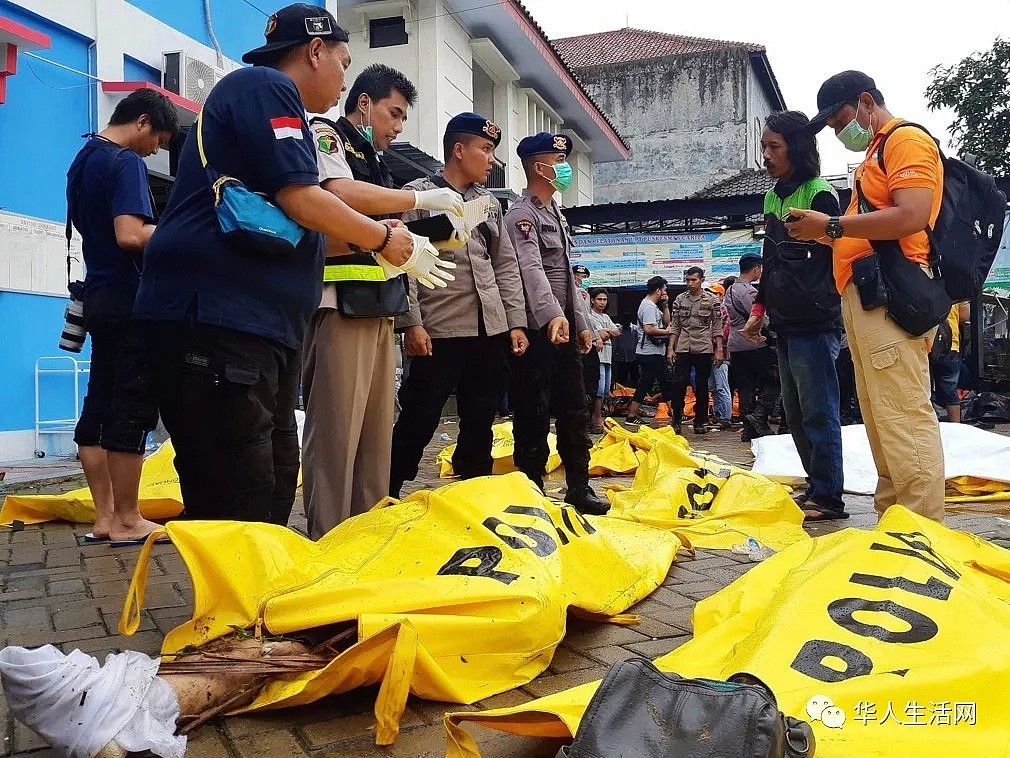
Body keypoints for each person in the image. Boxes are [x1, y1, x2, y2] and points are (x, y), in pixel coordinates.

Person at [133, 4, 440, 525]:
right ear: (314, 50)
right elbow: (302, 199)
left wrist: (391, 245)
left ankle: (257, 601)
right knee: (239, 494)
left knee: (271, 481)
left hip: (257, 329)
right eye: (343, 62)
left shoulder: (282, 115)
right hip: (216, 322)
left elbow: (308, 230)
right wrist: (386, 235)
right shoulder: (265, 87)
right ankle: (234, 605)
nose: (345, 79)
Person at [302, 63, 464, 538]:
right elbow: (337, 194)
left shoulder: (377, 161)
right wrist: (416, 202)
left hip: (379, 305)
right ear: (365, 103)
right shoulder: (327, 135)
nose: (397, 126)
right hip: (339, 302)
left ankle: (367, 534)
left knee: (375, 437)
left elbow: (385, 225)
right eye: (393, 113)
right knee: (336, 432)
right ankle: (328, 537)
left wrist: (429, 233)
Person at [788, 70, 946, 522]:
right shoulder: (875, 155)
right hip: (864, 296)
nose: (839, 133)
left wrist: (833, 226)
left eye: (839, 121)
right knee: (881, 418)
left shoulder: (906, 141)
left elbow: (912, 214)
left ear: (865, 101)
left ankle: (921, 529)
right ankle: (895, 520)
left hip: (890, 297)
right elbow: (868, 231)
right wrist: (821, 233)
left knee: (902, 415)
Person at [389, 113, 528, 496]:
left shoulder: (488, 205)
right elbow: (402, 263)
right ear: (458, 150)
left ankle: (475, 496)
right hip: (440, 329)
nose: (491, 159)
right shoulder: (418, 195)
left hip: (490, 330)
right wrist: (411, 323)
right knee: (419, 417)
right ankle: (387, 491)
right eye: (485, 149)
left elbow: (505, 264)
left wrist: (515, 322)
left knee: (480, 421)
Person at [66, 89, 179, 544]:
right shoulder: (125, 162)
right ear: (143, 122)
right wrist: (181, 233)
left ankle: (105, 518)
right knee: (130, 404)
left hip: (98, 295)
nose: (155, 151)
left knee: (99, 403)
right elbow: (130, 234)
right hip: (131, 298)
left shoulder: (83, 158)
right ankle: (129, 519)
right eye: (159, 141)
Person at [740, 110, 846, 521]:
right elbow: (771, 260)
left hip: (816, 321)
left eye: (773, 147)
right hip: (783, 323)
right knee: (796, 412)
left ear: (796, 149)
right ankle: (816, 486)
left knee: (820, 411)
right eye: (764, 146)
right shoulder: (772, 197)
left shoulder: (821, 194)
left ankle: (830, 497)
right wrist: (759, 309)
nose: (765, 155)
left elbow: (833, 258)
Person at [505, 132, 609, 515]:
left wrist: (582, 323)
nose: (564, 167)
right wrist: (553, 315)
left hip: (564, 329)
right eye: (558, 160)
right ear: (538, 167)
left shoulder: (556, 215)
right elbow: (530, 270)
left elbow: (565, 275)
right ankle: (532, 488)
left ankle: (578, 487)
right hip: (536, 329)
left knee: (574, 408)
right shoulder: (523, 214)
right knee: (533, 410)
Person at [726, 253, 779, 440]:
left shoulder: (730, 289)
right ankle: (759, 415)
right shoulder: (749, 291)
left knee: (745, 386)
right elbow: (758, 317)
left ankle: (749, 428)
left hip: (736, 344)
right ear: (756, 268)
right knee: (776, 378)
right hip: (753, 343)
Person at [667, 267, 724, 435]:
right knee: (679, 383)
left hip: (704, 347)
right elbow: (675, 325)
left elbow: (718, 326)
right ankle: (676, 418)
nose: (690, 283)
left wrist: (719, 349)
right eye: (688, 280)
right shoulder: (679, 299)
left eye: (694, 280)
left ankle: (700, 420)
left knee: (702, 386)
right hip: (683, 346)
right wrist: (671, 348)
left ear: (701, 280)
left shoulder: (712, 299)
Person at [626, 276, 672, 424]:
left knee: (652, 383)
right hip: (649, 352)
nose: (665, 292)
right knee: (661, 382)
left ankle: (632, 416)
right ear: (658, 290)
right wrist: (666, 332)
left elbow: (666, 322)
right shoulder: (648, 306)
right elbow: (649, 328)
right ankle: (676, 414)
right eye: (664, 290)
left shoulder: (653, 306)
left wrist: (665, 305)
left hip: (654, 352)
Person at [587, 287, 621, 432]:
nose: (602, 302)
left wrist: (606, 332)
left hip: (607, 356)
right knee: (599, 390)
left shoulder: (605, 317)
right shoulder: (590, 316)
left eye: (604, 300)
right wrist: (607, 332)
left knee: (606, 390)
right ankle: (596, 419)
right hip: (597, 357)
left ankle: (598, 417)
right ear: (592, 301)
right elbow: (604, 335)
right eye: (599, 299)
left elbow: (617, 332)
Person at [930, 302, 969, 423]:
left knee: (924, 386)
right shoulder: (955, 287)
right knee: (949, 387)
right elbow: (964, 316)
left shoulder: (919, 283)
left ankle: (931, 421)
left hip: (923, 343)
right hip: (949, 344)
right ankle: (955, 424)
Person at [573, 264, 602, 411]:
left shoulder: (581, 292)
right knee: (588, 378)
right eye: (582, 277)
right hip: (580, 340)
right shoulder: (580, 293)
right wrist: (595, 337)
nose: (584, 280)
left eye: (585, 277)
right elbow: (584, 316)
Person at [707, 283, 734, 430]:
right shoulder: (712, 311)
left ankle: (724, 417)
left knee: (721, 386)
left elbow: (724, 334)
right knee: (715, 387)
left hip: (721, 354)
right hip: (711, 353)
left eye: (714, 293)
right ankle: (719, 415)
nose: (711, 296)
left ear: (721, 296)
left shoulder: (724, 312)